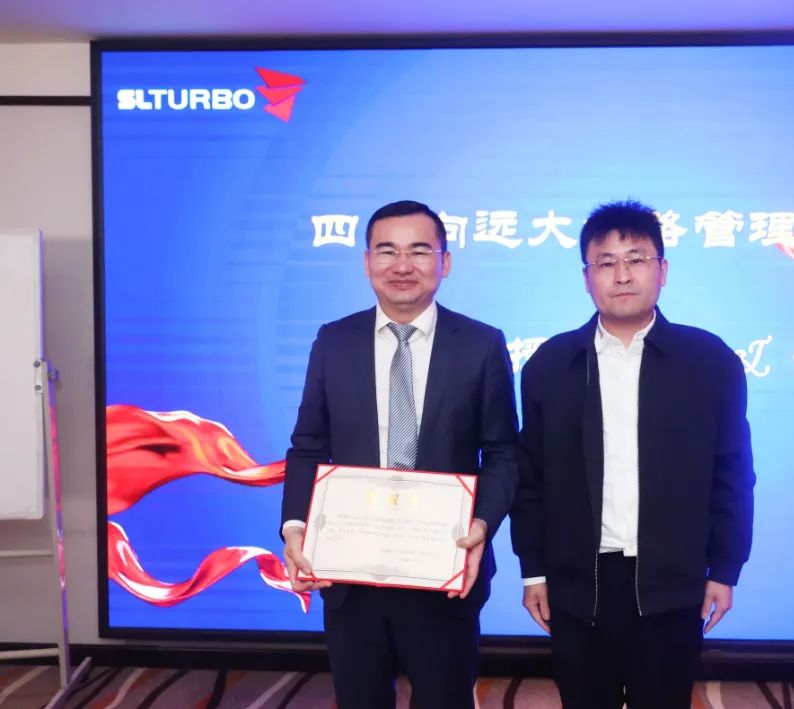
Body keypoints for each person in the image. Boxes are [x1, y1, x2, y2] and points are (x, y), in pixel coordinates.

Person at [510, 199, 755, 708]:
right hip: (578, 584)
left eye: (637, 259)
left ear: (662, 270)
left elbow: (732, 473)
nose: (622, 275)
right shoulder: (551, 364)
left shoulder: (709, 361)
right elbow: (529, 478)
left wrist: (725, 569)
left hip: (673, 583)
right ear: (586, 278)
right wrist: (533, 570)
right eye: (606, 262)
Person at [280, 199, 518, 709]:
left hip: (444, 566)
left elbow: (502, 452)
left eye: (419, 251)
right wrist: (295, 526)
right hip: (349, 569)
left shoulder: (480, 344)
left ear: (445, 262)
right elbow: (308, 446)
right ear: (367, 263)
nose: (402, 265)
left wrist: (481, 525)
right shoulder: (333, 341)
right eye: (387, 251)